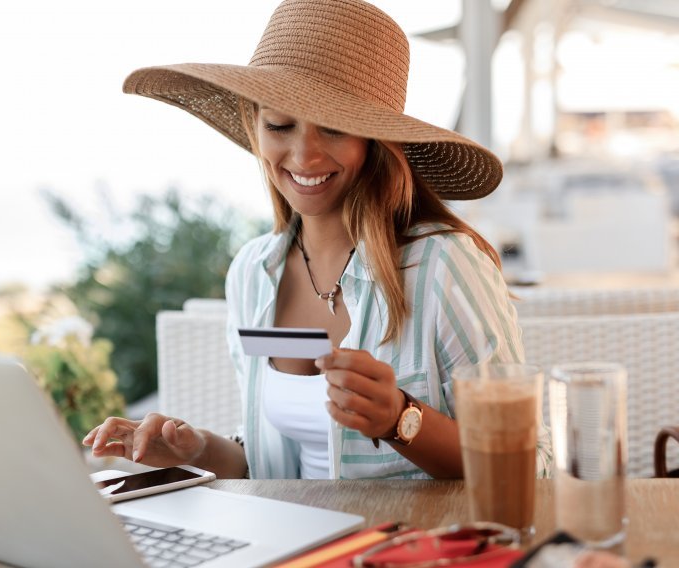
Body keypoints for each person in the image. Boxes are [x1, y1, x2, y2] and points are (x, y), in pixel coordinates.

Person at [83, 0, 552, 480]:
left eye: (333, 127)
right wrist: (197, 451)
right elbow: (271, 467)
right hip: (297, 544)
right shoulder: (252, 273)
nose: (304, 156)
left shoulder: (442, 264)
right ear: (254, 126)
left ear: (374, 140)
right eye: (280, 125)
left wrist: (400, 421)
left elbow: (527, 465)